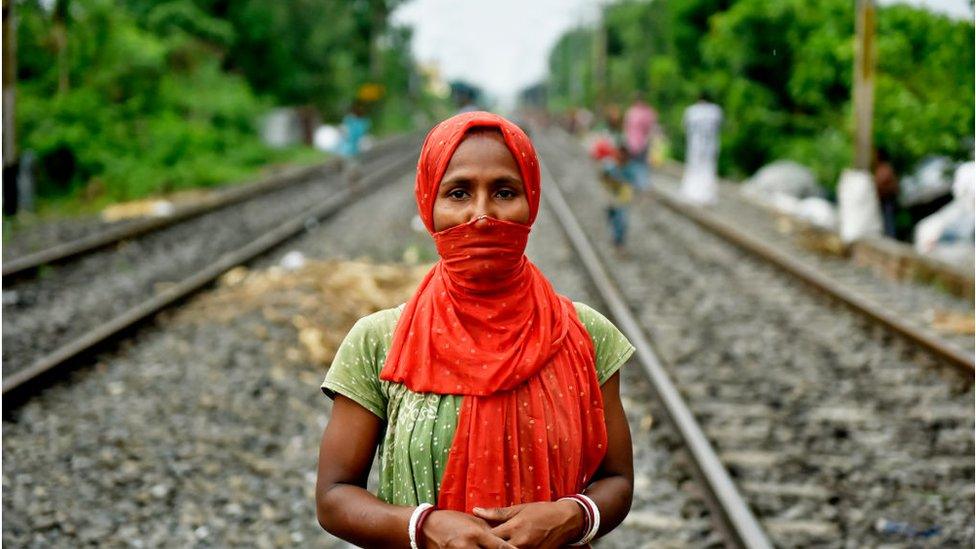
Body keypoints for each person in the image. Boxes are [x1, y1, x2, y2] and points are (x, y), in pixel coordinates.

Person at [316, 111, 636, 548]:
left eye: (504, 192)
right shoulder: (380, 341)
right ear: (429, 202)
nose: (481, 215)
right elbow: (333, 497)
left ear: (532, 202)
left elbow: (617, 480)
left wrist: (571, 516)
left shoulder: (584, 334)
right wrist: (424, 527)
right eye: (459, 192)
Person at [680, 94, 723, 205]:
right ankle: (706, 195)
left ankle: (692, 193)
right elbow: (720, 127)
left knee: (694, 169)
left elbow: (685, 127)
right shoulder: (715, 111)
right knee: (708, 170)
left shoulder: (691, 111)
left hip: (695, 146)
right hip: (710, 146)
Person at [623, 92, 657, 190]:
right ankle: (639, 185)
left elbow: (627, 127)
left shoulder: (631, 112)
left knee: (637, 164)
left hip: (637, 143)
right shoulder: (645, 112)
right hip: (638, 142)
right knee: (639, 165)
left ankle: (637, 184)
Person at [873, 148, 899, 238]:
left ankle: (890, 239)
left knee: (888, 222)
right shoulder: (880, 168)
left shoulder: (885, 168)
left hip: (887, 200)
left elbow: (881, 181)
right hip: (883, 200)